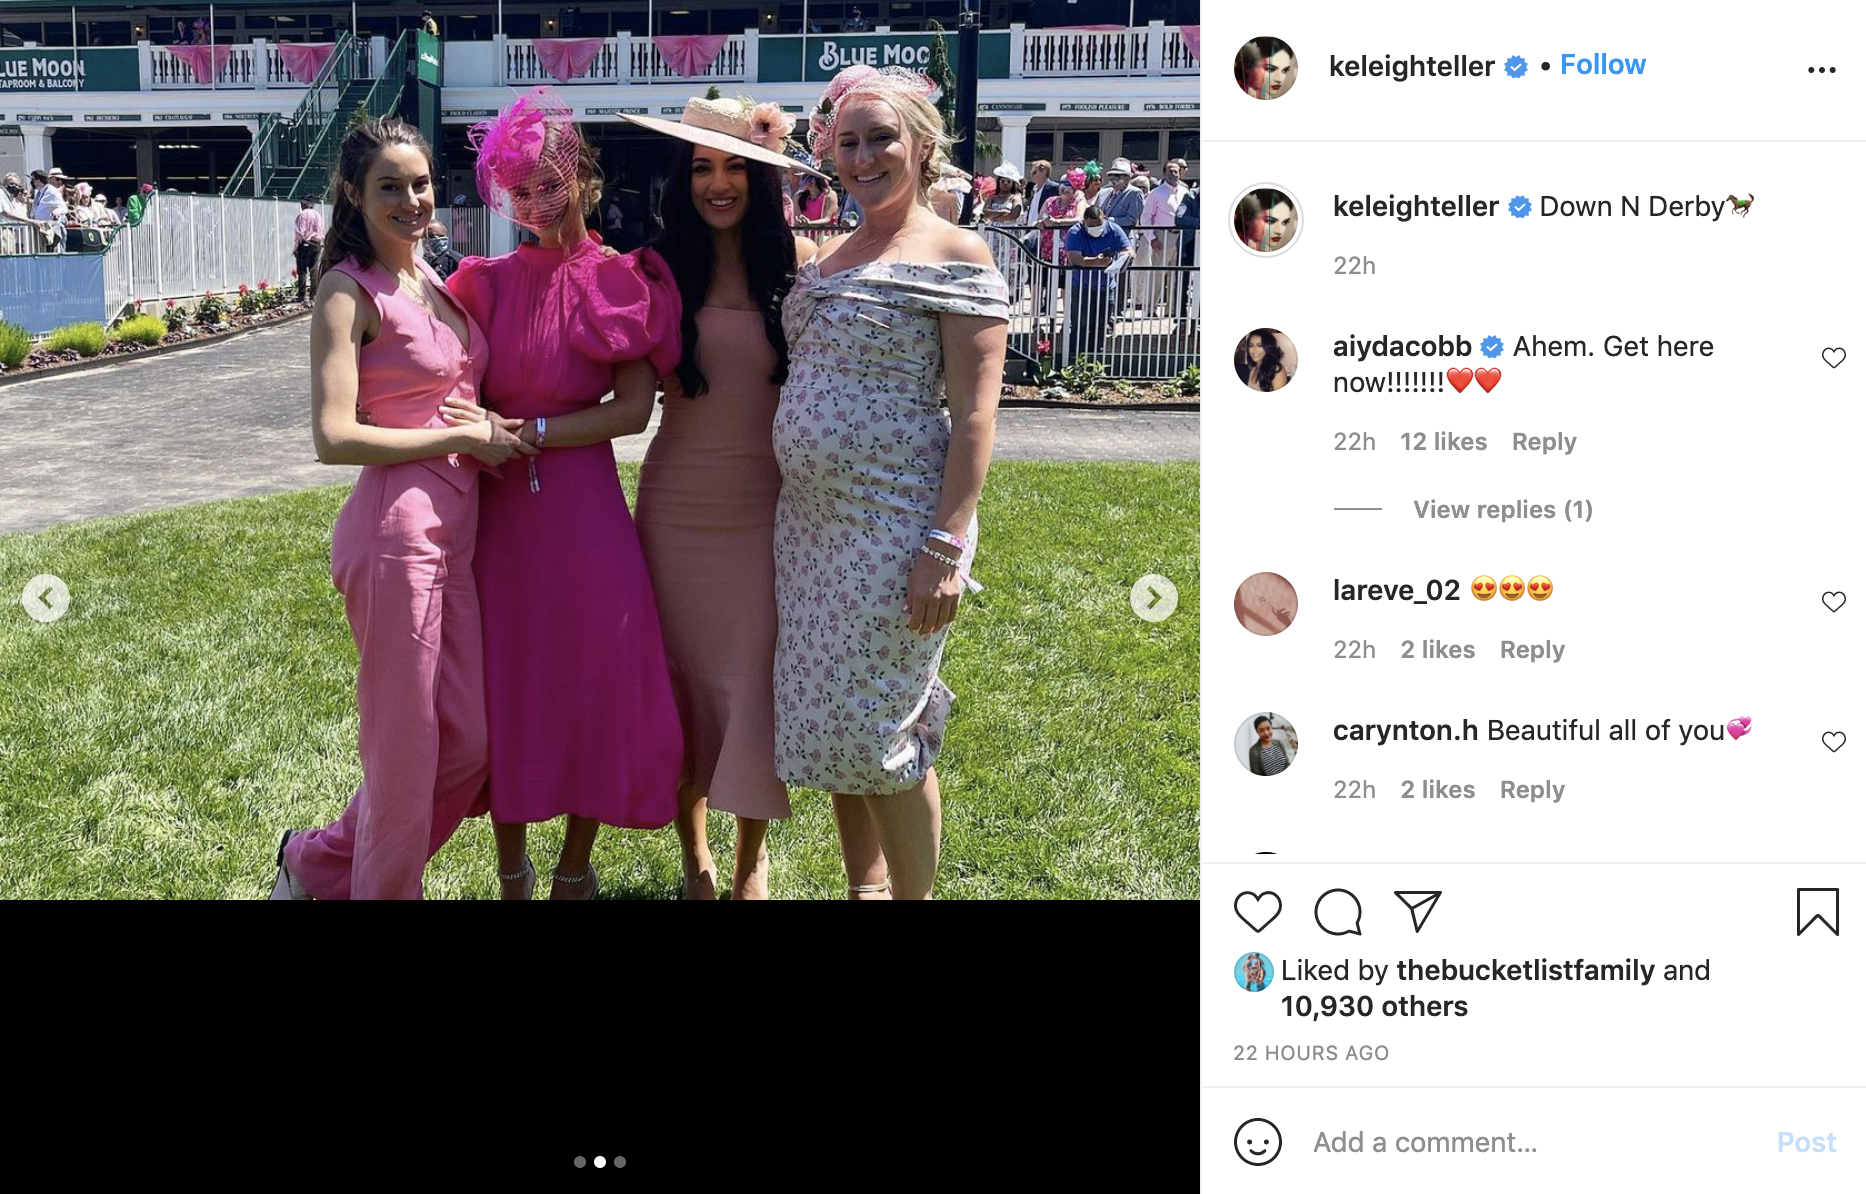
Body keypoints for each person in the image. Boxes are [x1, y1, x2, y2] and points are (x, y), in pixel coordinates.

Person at [273, 117, 533, 900]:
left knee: (467, 748)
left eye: (420, 182)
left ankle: (314, 864)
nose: (412, 199)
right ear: (353, 193)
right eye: (391, 185)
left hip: (455, 533)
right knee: (406, 754)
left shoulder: (434, 280)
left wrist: (480, 427)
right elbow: (332, 435)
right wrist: (455, 436)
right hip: (394, 535)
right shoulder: (346, 290)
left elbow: (453, 392)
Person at [442, 88, 686, 900]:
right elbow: (442, 386)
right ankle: (512, 872)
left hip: (584, 517)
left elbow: (633, 407)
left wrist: (535, 434)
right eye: (520, 190)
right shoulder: (482, 283)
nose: (538, 202)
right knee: (505, 686)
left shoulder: (622, 278)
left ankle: (574, 868)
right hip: (501, 520)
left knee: (596, 682)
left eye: (550, 182)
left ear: (581, 174)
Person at [780, 64, 1010, 898]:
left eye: (883, 137)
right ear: (830, 152)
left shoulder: (956, 252)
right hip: (806, 533)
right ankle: (864, 889)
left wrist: (945, 547)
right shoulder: (831, 254)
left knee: (881, 726)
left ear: (921, 144)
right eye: (850, 140)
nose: (866, 154)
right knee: (832, 721)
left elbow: (977, 417)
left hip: (898, 529)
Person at [620, 95, 821, 899]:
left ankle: (750, 860)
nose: (718, 183)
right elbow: (623, 390)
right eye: (702, 166)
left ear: (763, 175)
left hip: (768, 513)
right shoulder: (655, 266)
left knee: (749, 683)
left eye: (736, 164)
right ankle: (695, 856)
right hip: (674, 511)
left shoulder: (801, 265)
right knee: (683, 685)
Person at [1061, 202, 1129, 361]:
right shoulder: (1075, 232)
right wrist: (1095, 262)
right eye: (1091, 225)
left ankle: (1097, 360)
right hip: (1082, 286)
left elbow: (1127, 249)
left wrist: (1125, 258)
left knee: (1101, 325)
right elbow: (1074, 258)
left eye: (1098, 224)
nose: (1095, 228)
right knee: (1080, 325)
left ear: (1103, 218)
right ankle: (1076, 360)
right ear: (1084, 222)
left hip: (1106, 287)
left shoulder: (1113, 229)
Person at [1136, 157, 1188, 313]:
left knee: (1177, 275)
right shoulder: (1156, 193)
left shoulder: (1186, 192)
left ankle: (1172, 309)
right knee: (1158, 274)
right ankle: (1150, 307)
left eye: (1176, 171)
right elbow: (1146, 216)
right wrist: (1151, 237)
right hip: (1162, 236)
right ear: (1164, 173)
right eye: (1171, 171)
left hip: (1182, 236)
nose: (1174, 174)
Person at [1037, 166, 1085, 263]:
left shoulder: (1079, 201)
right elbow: (1040, 217)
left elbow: (1079, 219)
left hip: (1069, 249)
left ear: (1074, 187)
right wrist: (1041, 223)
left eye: (1066, 184)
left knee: (1066, 277)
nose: (1062, 186)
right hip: (1048, 248)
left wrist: (1058, 222)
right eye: (1061, 183)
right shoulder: (1049, 201)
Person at [293, 195, 324, 302]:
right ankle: (314, 295)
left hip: (306, 243)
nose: (301, 205)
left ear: (305, 204)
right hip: (317, 243)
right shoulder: (318, 215)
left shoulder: (303, 215)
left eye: (302, 203)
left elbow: (300, 233)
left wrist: (296, 247)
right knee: (314, 268)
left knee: (302, 269)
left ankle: (301, 296)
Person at [30, 168, 67, 252]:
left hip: (50, 230)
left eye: (33, 179)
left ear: (38, 180)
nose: (32, 182)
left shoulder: (52, 191)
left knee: (54, 254)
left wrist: (57, 211)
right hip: (40, 230)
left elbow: (64, 208)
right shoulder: (38, 192)